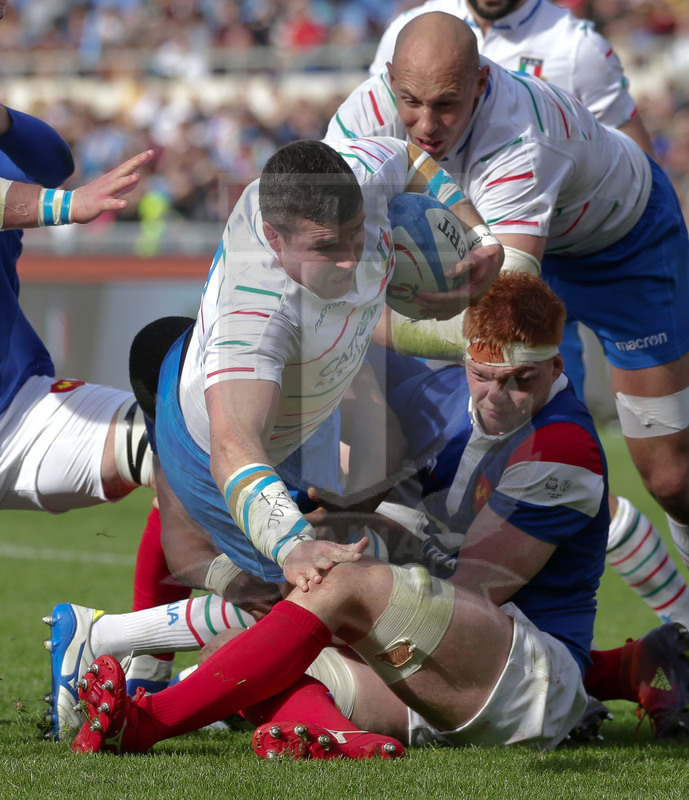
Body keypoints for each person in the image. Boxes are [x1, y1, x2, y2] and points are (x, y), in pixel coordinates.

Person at [66, 270, 615, 755]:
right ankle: (340, 737)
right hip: (449, 667)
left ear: (555, 366)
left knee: (333, 581)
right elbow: (336, 336)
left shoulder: (561, 448)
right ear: (465, 356)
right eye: (484, 375)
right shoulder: (442, 394)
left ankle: (144, 722)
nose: (497, 396)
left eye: (520, 381)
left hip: (528, 679)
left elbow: (473, 592)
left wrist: (334, 592)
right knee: (246, 649)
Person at [324, 12, 689, 631]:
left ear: (483, 85)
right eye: (410, 102)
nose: (425, 125)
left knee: (672, 475)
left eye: (446, 106)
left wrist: (363, 318)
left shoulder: (527, 125)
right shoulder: (361, 113)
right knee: (516, 442)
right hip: (506, 240)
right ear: (387, 80)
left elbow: (500, 313)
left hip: (622, 248)